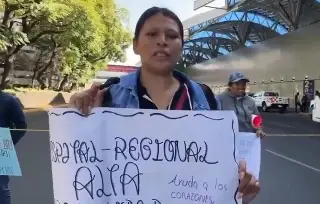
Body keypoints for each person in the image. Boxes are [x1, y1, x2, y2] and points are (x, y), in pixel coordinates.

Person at [69, 7, 260, 203]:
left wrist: (239, 192)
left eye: (172, 36)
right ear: (135, 45)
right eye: (152, 34)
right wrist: (80, 117)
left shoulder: (205, 99)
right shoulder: (107, 98)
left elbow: (220, 173)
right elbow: (87, 167)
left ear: (181, 46)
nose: (162, 41)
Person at [216, 72, 266, 138]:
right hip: (227, 139)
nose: (241, 87)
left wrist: (259, 130)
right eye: (237, 84)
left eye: (243, 84)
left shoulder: (250, 101)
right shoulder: (219, 99)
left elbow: (256, 118)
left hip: (247, 140)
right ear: (229, 85)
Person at [0, 91, 27, 204]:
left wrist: (6, 143)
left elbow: (21, 126)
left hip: (2, 150)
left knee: (1, 189)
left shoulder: (9, 100)